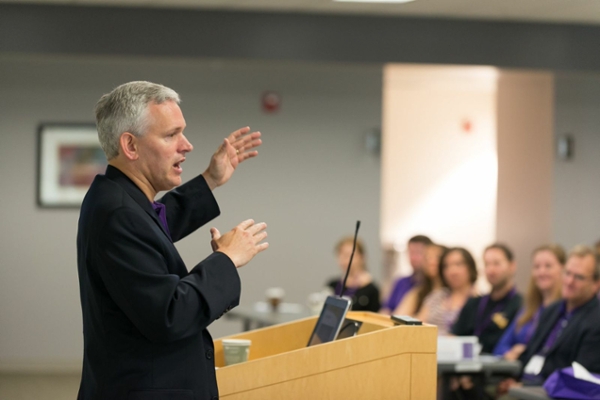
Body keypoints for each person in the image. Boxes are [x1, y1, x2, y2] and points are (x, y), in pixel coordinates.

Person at [76, 81, 268, 400]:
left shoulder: (116, 197)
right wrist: (226, 260)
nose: (187, 145)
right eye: (171, 135)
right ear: (131, 146)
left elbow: (155, 224)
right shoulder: (118, 213)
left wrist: (211, 179)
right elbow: (170, 315)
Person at [517, 245, 600, 384]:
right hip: (525, 382)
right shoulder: (551, 310)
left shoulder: (596, 321)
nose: (569, 281)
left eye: (578, 277)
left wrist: (524, 386)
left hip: (548, 390)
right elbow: (529, 354)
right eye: (567, 273)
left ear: (596, 284)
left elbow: (580, 377)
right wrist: (511, 378)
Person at [493, 244, 565, 360]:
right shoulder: (529, 309)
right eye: (536, 267)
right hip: (516, 371)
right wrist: (510, 353)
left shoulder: (565, 309)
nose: (541, 272)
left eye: (548, 266)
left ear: (563, 269)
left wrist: (525, 351)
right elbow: (500, 347)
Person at [451, 243, 523, 354]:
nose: (491, 270)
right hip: (465, 365)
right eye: (487, 264)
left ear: (512, 266)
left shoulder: (521, 305)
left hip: (500, 368)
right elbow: (454, 336)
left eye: (496, 264)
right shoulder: (473, 303)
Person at [418, 247, 478, 336]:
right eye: (446, 266)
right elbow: (417, 326)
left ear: (470, 267)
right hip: (427, 345)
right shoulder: (437, 296)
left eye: (458, 264)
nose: (452, 271)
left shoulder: (479, 301)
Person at [380, 235, 433, 314]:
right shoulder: (401, 282)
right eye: (410, 252)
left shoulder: (433, 286)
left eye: (418, 253)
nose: (413, 258)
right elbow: (386, 309)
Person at [327, 236, 380, 312]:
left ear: (361, 257)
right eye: (340, 255)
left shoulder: (371, 290)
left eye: (348, 255)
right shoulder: (332, 285)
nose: (343, 259)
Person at [393, 243, 445, 317]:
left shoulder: (451, 294)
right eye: (427, 258)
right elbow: (399, 316)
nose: (431, 262)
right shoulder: (418, 292)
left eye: (436, 257)